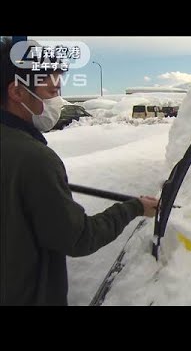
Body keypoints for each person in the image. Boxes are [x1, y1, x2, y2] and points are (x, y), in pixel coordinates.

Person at [0, 38, 159, 305]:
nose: (56, 102)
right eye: (50, 92)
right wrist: (134, 208)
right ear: (17, 92)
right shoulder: (33, 159)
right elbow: (78, 238)